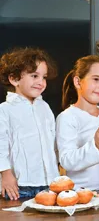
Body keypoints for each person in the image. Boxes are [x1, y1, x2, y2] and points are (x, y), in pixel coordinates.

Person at [56, 55, 99, 191]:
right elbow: (67, 161)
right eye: (96, 79)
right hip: (79, 194)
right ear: (78, 82)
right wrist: (96, 146)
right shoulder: (67, 117)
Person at [0, 47, 59, 200]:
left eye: (44, 77)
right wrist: (5, 174)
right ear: (14, 79)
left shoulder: (45, 108)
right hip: (19, 186)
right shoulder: (5, 110)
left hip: (49, 184)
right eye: (34, 76)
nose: (41, 82)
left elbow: (52, 143)